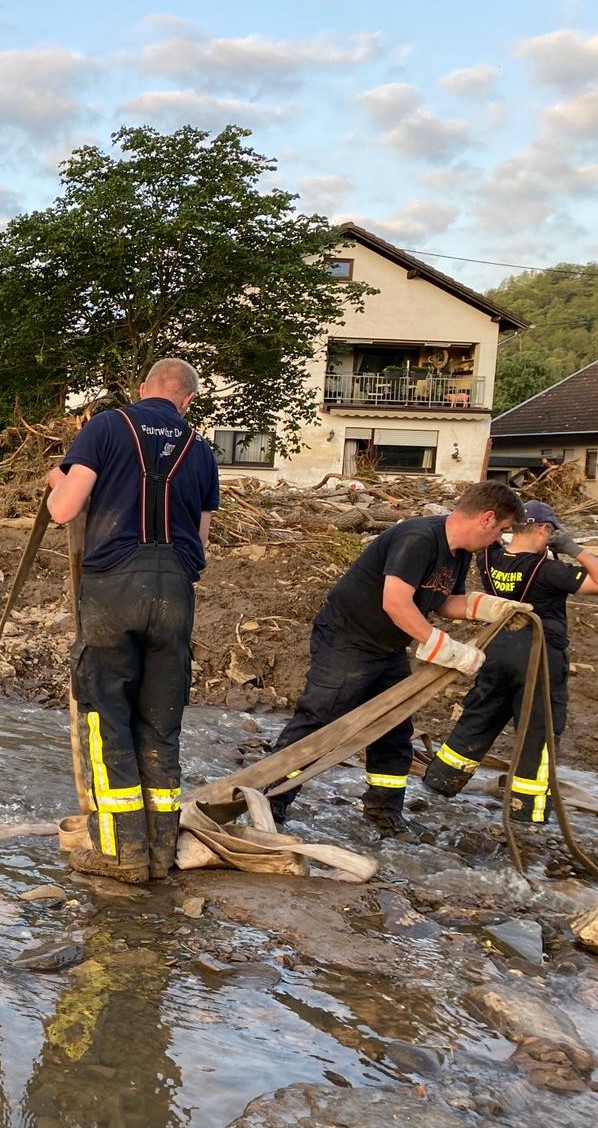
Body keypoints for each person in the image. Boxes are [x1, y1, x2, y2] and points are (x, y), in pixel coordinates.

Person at [269, 481, 527, 839]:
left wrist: (488, 608)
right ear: (486, 518)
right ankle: (271, 798)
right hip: (348, 638)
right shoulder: (419, 538)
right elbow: (396, 602)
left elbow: (443, 601)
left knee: (394, 727)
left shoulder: (458, 553)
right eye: (501, 529)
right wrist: (444, 647)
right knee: (320, 719)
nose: (499, 539)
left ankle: (384, 810)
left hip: (387, 647)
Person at [45, 358, 221, 883]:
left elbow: (63, 510)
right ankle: (161, 852)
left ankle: (122, 855)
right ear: (187, 400)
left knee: (107, 718)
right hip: (175, 595)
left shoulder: (107, 426)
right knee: (160, 723)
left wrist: (60, 478)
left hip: (114, 590)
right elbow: (202, 539)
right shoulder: (202, 451)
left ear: (143, 389)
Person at [422, 501, 598, 823]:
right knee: (537, 732)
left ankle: (438, 785)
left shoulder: (489, 556)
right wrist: (575, 549)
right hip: (539, 656)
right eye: (551, 532)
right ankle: (526, 813)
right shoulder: (548, 570)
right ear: (545, 530)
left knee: (479, 717)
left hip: (498, 648)